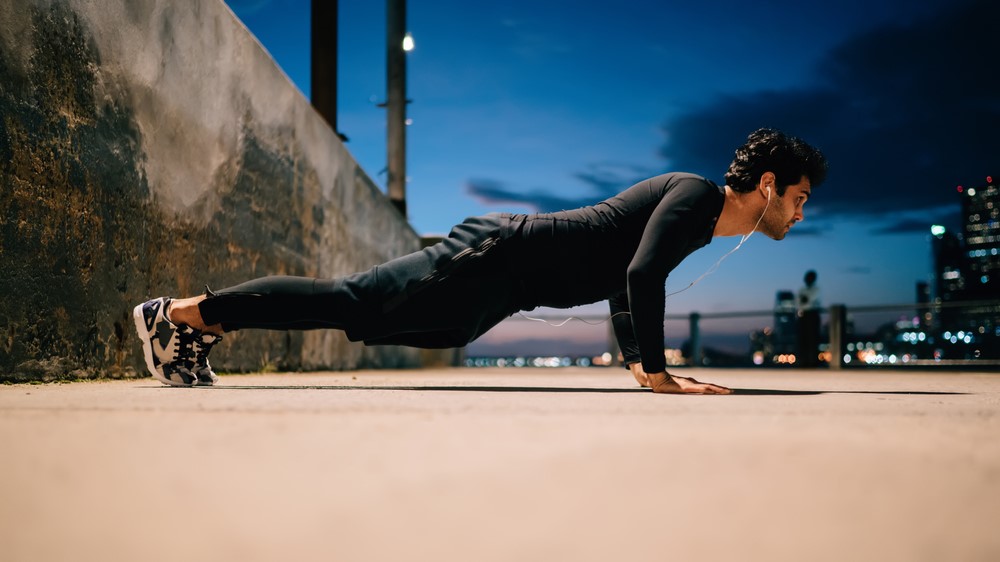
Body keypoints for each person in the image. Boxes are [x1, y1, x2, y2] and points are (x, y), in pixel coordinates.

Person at [133, 128, 827, 394]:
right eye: (797, 198)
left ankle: (198, 328)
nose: (799, 213)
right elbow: (640, 276)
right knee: (353, 301)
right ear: (766, 187)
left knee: (408, 326)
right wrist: (657, 373)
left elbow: (626, 278)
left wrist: (637, 363)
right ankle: (184, 314)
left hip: (506, 287)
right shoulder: (695, 194)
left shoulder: (700, 221)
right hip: (498, 253)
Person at [796, 269, 822, 367]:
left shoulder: (816, 289)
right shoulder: (802, 290)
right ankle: (803, 362)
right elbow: (799, 301)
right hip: (803, 316)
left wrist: (804, 299)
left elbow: (807, 300)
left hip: (813, 315)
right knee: (803, 339)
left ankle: (813, 362)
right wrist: (805, 300)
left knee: (813, 339)